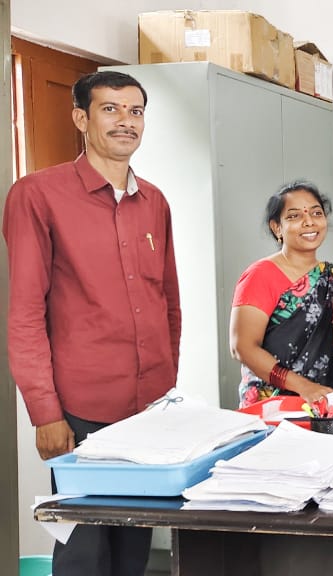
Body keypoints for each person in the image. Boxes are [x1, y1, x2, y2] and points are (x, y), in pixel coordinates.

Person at [5, 70, 179, 576]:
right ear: (81, 118)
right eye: (110, 109)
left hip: (148, 411)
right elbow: (25, 313)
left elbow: (168, 303)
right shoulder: (37, 195)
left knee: (132, 552)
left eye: (135, 111)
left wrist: (166, 392)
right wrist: (45, 413)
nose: (126, 121)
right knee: (84, 553)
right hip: (80, 411)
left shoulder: (155, 201)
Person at [230, 181, 333, 407]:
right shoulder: (260, 275)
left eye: (316, 213)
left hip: (327, 404)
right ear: (277, 227)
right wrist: (303, 386)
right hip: (273, 405)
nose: (309, 221)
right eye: (294, 216)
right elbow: (242, 347)